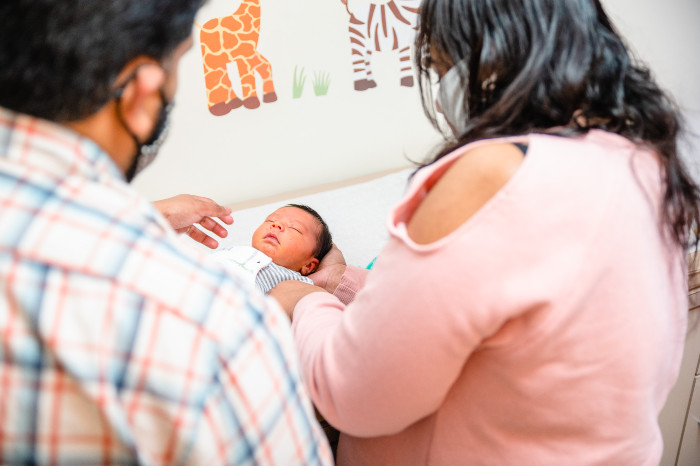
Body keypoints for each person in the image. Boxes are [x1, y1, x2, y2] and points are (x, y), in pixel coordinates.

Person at [269, 0, 700, 464]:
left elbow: (351, 393)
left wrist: (308, 301)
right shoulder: (644, 162)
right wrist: (344, 281)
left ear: (490, 57)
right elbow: (486, 312)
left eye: (439, 67)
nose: (440, 94)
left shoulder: (487, 176)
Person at [0, 1, 332, 464]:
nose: (275, 226)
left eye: (292, 228)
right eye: (179, 64)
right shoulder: (207, 318)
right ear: (141, 93)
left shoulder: (280, 281)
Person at [212, 204, 333, 293]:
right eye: (270, 220)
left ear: (308, 266)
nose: (276, 225)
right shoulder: (235, 250)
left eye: (294, 228)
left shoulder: (296, 285)